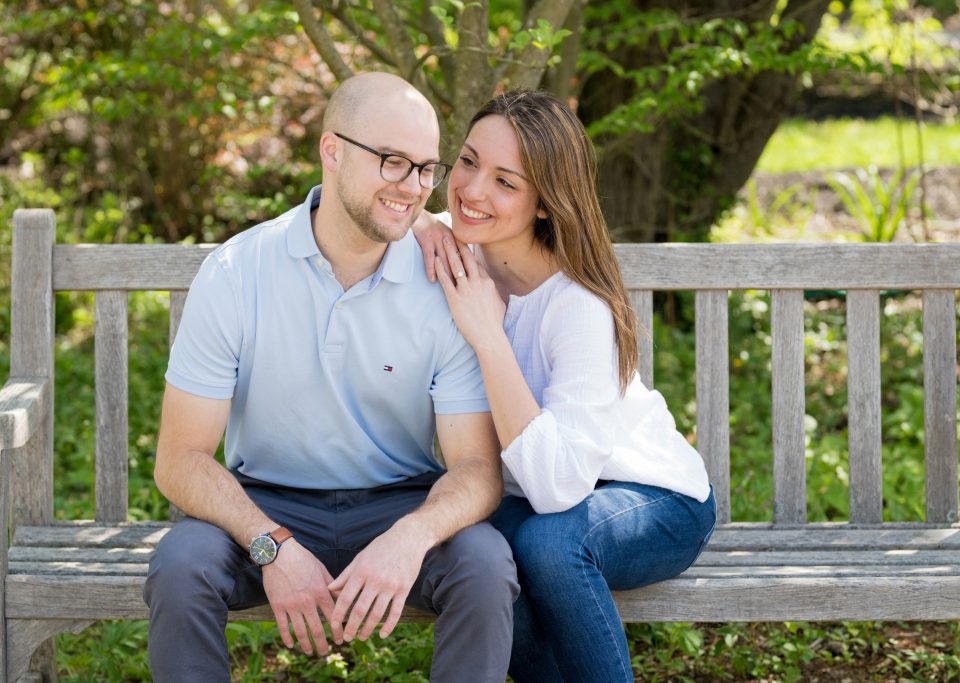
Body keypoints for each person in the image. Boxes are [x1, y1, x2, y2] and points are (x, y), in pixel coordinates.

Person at [143, 72, 518, 682]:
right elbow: (180, 459)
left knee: (484, 562)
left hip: (398, 502)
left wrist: (411, 536)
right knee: (182, 564)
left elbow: (477, 469)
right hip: (264, 503)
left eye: (426, 169)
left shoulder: (446, 283)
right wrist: (271, 545)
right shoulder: (238, 271)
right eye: (393, 162)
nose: (413, 187)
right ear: (332, 150)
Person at [414, 89, 717, 682]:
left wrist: (488, 336)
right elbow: (350, 205)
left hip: (652, 498)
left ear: (547, 204)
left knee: (549, 545)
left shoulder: (577, 306)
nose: (473, 191)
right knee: (483, 545)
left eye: (506, 182)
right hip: (531, 496)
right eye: (469, 162)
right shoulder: (457, 243)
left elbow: (559, 490)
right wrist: (422, 222)